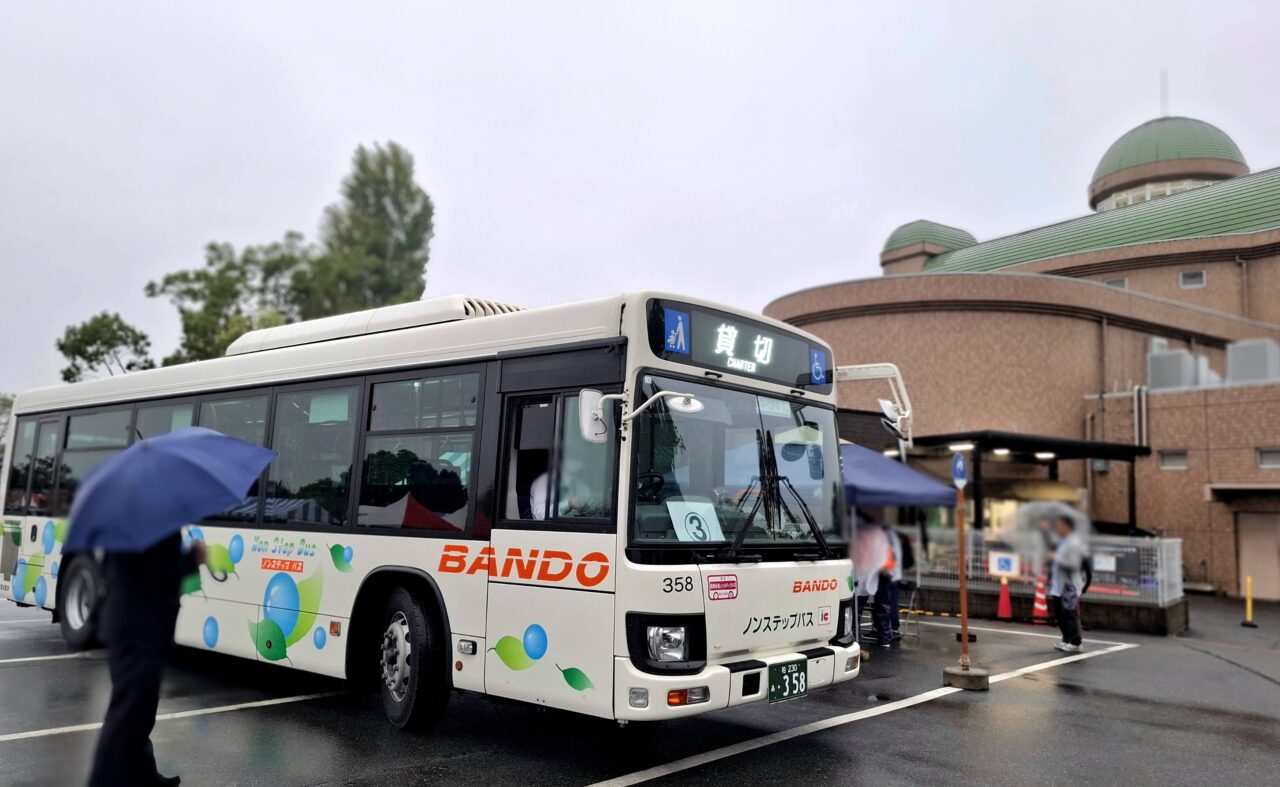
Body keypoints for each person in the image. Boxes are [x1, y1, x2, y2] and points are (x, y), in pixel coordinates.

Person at [89, 532, 206, 787]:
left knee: (141, 711)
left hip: (134, 628)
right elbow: (157, 573)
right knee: (126, 716)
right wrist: (192, 559)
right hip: (138, 631)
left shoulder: (135, 518)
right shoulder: (151, 523)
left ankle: (143, 775)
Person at [1049, 515, 1088, 653]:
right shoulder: (1063, 542)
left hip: (1069, 585)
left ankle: (1076, 642)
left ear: (1067, 527)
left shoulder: (1074, 543)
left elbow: (1073, 564)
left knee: (1070, 614)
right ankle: (1066, 639)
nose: (1058, 529)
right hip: (1058, 585)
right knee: (1060, 614)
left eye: (1060, 526)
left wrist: (1056, 557)